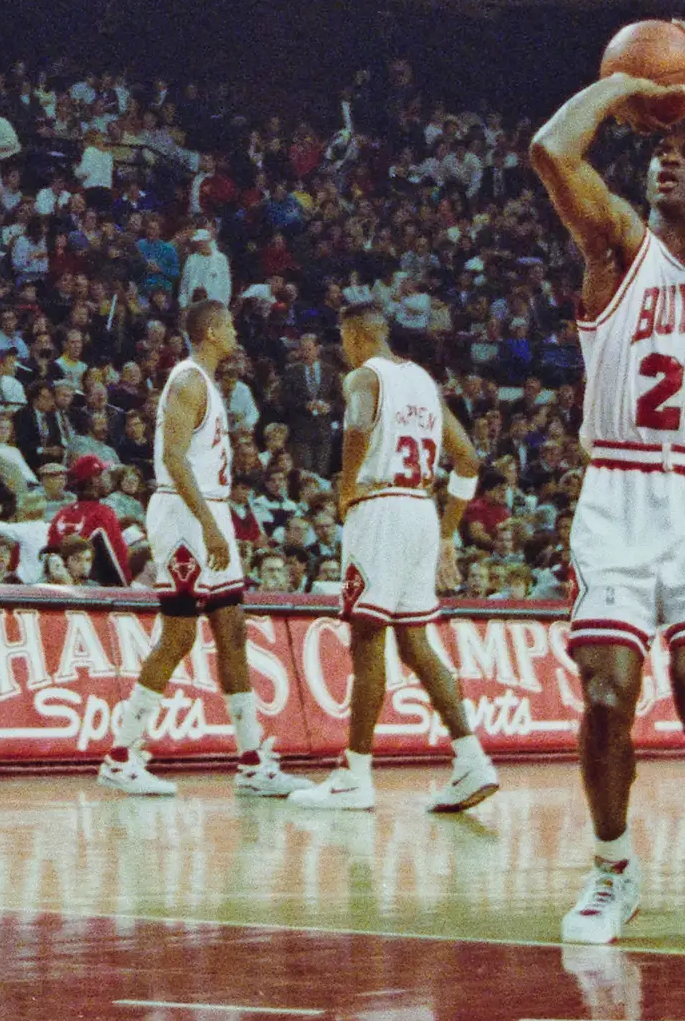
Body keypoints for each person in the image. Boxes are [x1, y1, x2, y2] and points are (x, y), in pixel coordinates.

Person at [528, 26, 685, 949]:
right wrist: (624, 87)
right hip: (620, 491)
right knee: (605, 692)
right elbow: (552, 150)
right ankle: (612, 870)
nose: (669, 162)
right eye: (660, 153)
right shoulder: (616, 249)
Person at [286, 291, 499, 814]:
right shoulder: (424, 382)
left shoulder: (364, 377)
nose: (345, 349)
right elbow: (468, 460)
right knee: (415, 645)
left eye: (343, 339)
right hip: (422, 513)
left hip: (379, 509)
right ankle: (471, 759)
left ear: (357, 335)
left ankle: (355, 774)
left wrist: (343, 490)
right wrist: (449, 532)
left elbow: (357, 430)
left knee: (367, 642)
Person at [91, 299, 295, 800]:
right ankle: (120, 755)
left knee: (232, 631)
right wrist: (209, 525)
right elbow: (173, 460)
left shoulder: (206, 382)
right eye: (228, 325)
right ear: (209, 332)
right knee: (179, 635)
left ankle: (251, 761)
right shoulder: (186, 381)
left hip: (209, 509)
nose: (235, 332)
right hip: (186, 515)